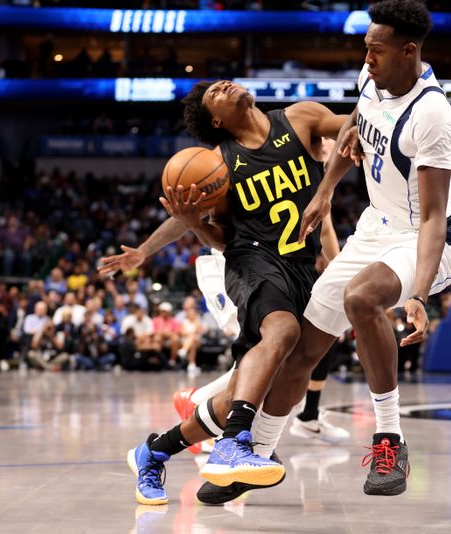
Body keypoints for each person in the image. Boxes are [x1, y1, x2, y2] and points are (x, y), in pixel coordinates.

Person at [101, 78, 347, 505]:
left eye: (224, 82)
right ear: (216, 118)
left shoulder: (301, 117)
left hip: (301, 267)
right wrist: (147, 249)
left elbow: (351, 124)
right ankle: (234, 445)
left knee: (245, 390)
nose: (226, 85)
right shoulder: (217, 162)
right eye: (216, 91)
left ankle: (153, 451)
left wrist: (382, 119)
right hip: (251, 259)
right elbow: (210, 232)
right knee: (283, 331)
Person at [257, 0, 451, 496]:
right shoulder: (373, 80)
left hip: (423, 239)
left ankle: (389, 439)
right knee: (305, 347)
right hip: (373, 228)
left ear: (408, 51)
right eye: (366, 49)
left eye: (376, 51)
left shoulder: (432, 114)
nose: (366, 59)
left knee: (361, 297)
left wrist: (418, 293)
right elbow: (352, 131)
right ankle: (253, 455)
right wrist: (323, 192)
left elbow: (435, 217)